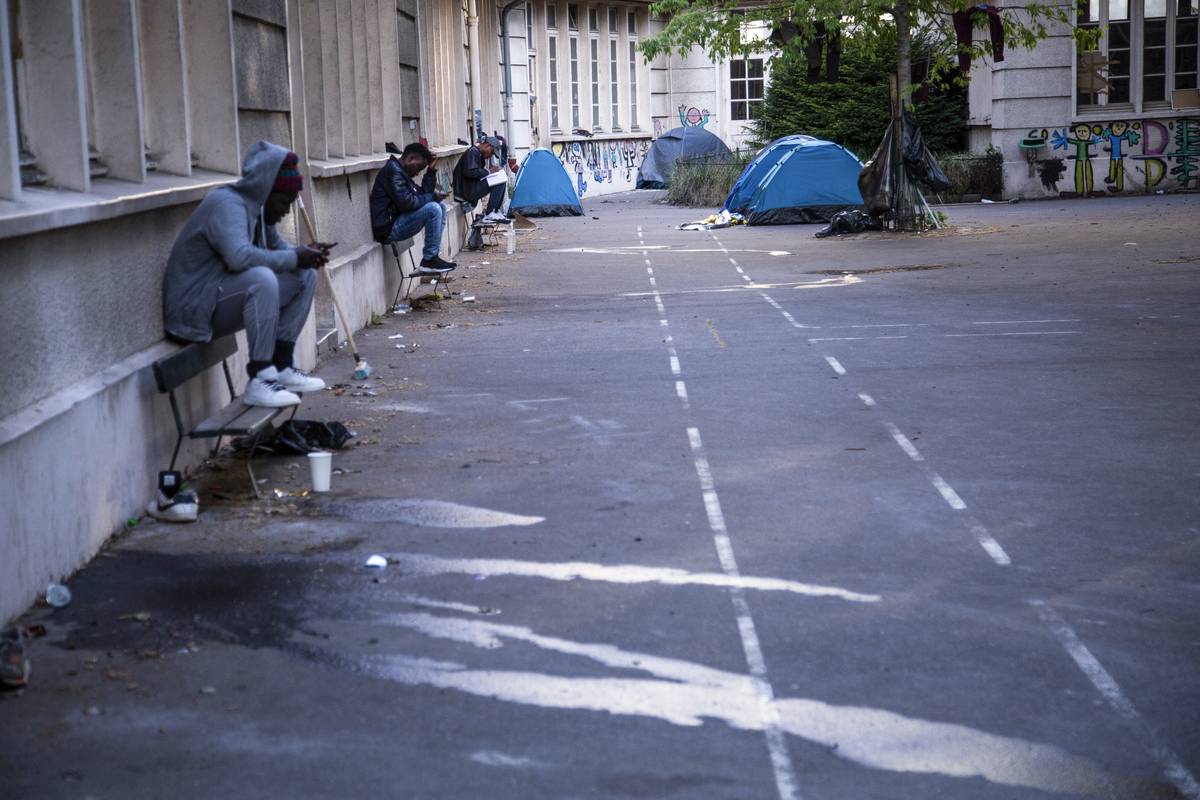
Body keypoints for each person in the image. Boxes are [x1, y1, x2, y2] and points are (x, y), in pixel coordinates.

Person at [163, 141, 332, 410]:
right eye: (284, 202)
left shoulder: (258, 210)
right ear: (267, 190)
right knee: (261, 279)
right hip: (193, 310)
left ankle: (281, 364)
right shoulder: (227, 204)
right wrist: (294, 256)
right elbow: (239, 257)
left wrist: (305, 254)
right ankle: (260, 378)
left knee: (305, 274)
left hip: (216, 299)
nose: (286, 211)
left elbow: (280, 251)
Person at [370, 141, 458, 273]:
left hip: (396, 222)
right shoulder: (393, 172)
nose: (417, 173)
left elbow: (422, 194)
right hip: (388, 228)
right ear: (410, 158)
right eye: (418, 168)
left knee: (440, 206)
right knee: (433, 208)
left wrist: (431, 171)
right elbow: (408, 203)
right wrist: (432, 197)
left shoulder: (400, 172)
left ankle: (432, 257)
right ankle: (429, 259)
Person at [453, 135, 509, 224]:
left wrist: (489, 173)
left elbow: (477, 173)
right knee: (499, 180)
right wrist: (488, 172)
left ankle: (495, 211)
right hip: (467, 191)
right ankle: (490, 213)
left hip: (470, 188)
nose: (490, 156)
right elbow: (469, 172)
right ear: (487, 145)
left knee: (502, 178)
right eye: (491, 152)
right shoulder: (473, 152)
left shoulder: (478, 154)